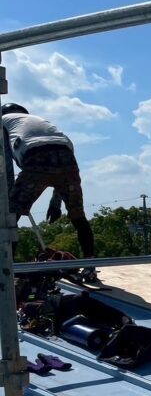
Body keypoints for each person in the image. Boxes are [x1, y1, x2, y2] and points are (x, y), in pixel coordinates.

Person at [2, 102, 97, 279]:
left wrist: (11, 198)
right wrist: (55, 205)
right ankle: (90, 266)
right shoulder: (43, 123)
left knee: (11, 218)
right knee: (78, 217)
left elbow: (6, 163)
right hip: (66, 157)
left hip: (35, 157)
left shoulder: (3, 122)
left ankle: (8, 267)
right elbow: (62, 169)